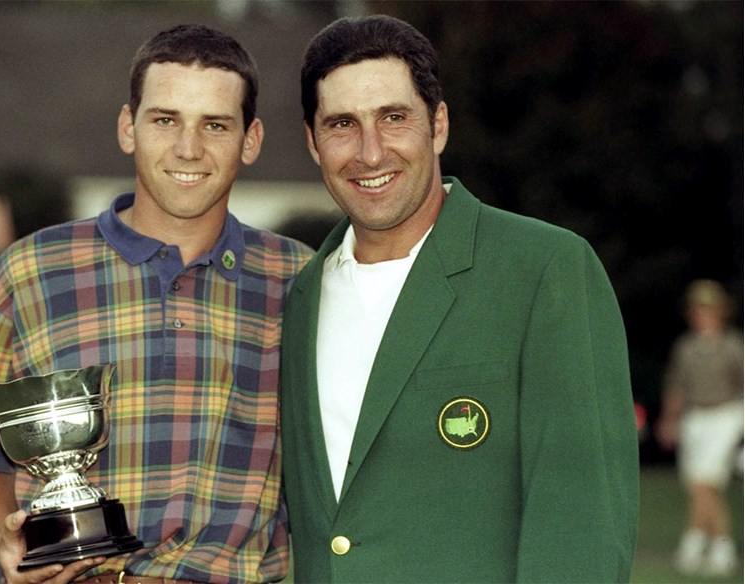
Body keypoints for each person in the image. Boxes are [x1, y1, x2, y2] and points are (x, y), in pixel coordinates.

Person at [0, 25, 312, 584]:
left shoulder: (300, 280)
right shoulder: (29, 273)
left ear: (250, 139)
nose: (189, 148)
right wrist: (5, 543)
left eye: (215, 124)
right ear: (127, 128)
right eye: (165, 120)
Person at [279, 15, 639, 582]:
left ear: (438, 125)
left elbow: (581, 528)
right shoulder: (299, 297)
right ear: (313, 141)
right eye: (343, 124)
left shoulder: (544, 269)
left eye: (394, 118)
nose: (370, 153)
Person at [656, 279, 743, 577]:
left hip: (726, 415)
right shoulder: (686, 347)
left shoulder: (733, 346)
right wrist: (669, 420)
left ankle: (698, 547)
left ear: (720, 312)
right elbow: (676, 387)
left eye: (708, 308)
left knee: (703, 483)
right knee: (701, 486)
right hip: (695, 419)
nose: (701, 314)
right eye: (697, 309)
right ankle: (719, 549)